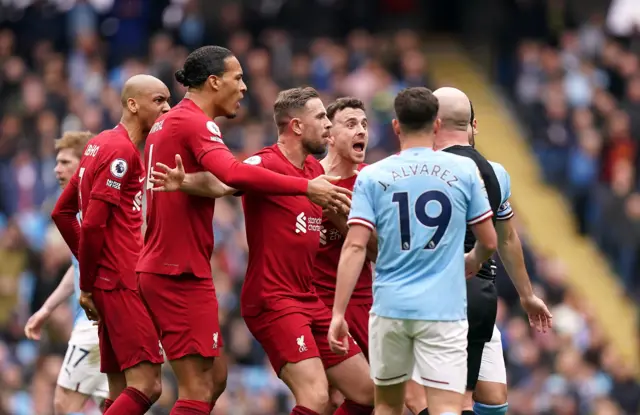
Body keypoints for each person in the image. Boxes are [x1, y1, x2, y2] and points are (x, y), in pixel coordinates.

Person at [136, 47, 352, 415]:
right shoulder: (195, 121)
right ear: (214, 81)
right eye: (237, 78)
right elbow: (232, 175)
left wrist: (186, 181)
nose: (244, 87)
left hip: (181, 267)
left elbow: (217, 180)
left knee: (214, 379)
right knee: (197, 387)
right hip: (176, 270)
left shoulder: (173, 122)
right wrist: (306, 188)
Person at [328, 87, 498, 415]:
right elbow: (489, 241)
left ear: (395, 127)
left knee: (388, 406)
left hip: (391, 308)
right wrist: (471, 261)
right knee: (447, 407)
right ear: (436, 125)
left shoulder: (373, 176)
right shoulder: (464, 172)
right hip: (443, 310)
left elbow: (355, 246)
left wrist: (338, 313)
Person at [404, 89, 553, 415]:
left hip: (426, 296)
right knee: (491, 400)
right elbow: (508, 238)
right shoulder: (496, 173)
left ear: (433, 124)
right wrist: (527, 296)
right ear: (474, 126)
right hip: (478, 295)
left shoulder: (411, 169)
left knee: (425, 400)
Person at [51, 74, 171, 415]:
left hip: (109, 282)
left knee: (120, 390)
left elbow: (62, 212)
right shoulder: (121, 153)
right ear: (133, 104)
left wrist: (93, 278)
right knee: (148, 385)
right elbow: (90, 224)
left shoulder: (98, 144)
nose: (168, 108)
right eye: (159, 100)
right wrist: (87, 283)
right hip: (122, 282)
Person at [25, 131, 109, 414]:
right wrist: (47, 309)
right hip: (101, 321)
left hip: (95, 322)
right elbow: (77, 266)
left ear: (84, 164)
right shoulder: (80, 209)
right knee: (111, 403)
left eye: (64, 162)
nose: (56, 169)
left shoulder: (96, 210)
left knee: (63, 403)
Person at [311, 97, 377, 413]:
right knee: (323, 396)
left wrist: (343, 218)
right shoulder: (308, 180)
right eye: (350, 124)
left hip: (366, 302)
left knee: (375, 398)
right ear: (329, 135)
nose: (360, 130)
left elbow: (380, 251)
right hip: (319, 305)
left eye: (364, 124)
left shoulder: (373, 181)